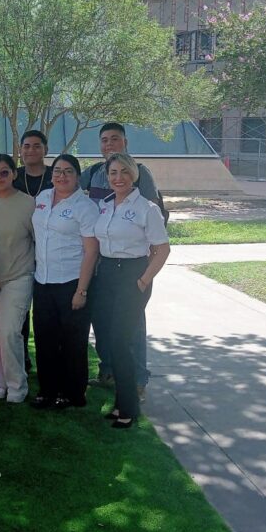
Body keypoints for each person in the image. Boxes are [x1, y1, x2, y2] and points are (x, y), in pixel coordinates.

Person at [79, 121, 167, 396]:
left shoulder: (141, 174)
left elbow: (155, 222)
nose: (109, 145)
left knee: (131, 324)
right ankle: (108, 371)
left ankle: (137, 378)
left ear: (125, 143)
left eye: (114, 139)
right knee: (102, 319)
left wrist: (144, 277)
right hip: (101, 263)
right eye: (104, 140)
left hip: (131, 266)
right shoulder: (92, 174)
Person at [91, 153, 171, 429]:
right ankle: (121, 403)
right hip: (107, 275)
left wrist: (143, 280)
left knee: (121, 343)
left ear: (133, 174)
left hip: (132, 275)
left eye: (124, 172)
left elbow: (162, 249)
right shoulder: (104, 205)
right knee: (111, 343)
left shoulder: (147, 208)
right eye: (113, 173)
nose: (118, 178)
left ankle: (129, 407)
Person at [30, 154, 99, 409]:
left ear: (77, 176)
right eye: (58, 171)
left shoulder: (85, 207)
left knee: (72, 341)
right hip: (43, 281)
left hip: (72, 282)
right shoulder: (43, 199)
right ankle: (48, 389)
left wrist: (81, 290)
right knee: (45, 339)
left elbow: (91, 251)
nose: (61, 176)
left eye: (68, 171)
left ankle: (73, 393)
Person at [0, 153, 36, 403]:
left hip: (19, 276)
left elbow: (39, 240)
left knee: (9, 332)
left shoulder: (28, 204)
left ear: (14, 173)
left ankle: (17, 386)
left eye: (5, 172)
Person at [13, 129, 53, 371]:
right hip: (19, 251)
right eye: (26, 146)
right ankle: (22, 359)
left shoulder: (56, 175)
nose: (31, 150)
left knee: (45, 311)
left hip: (50, 251)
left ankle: (49, 361)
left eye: (36, 146)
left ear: (45, 150)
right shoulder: (13, 176)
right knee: (19, 310)